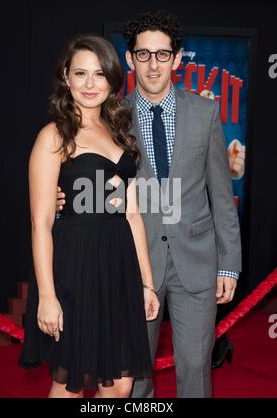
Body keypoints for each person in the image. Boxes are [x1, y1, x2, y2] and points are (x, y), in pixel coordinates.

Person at [57, 10, 242, 398]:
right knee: (133, 376)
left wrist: (229, 263)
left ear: (177, 58)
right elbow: (86, 175)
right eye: (143, 54)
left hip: (197, 259)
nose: (153, 64)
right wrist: (66, 200)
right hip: (131, 262)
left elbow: (222, 197)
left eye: (162, 54)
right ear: (129, 59)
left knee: (195, 369)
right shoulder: (110, 116)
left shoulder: (205, 113)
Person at [19, 34, 160, 398]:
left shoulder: (119, 133)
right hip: (75, 268)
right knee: (71, 380)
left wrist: (146, 283)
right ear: (66, 77)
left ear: (112, 79)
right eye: (80, 73)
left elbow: (131, 214)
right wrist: (48, 297)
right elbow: (41, 224)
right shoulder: (54, 136)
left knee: (121, 382)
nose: (89, 84)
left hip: (119, 269)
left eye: (99, 74)